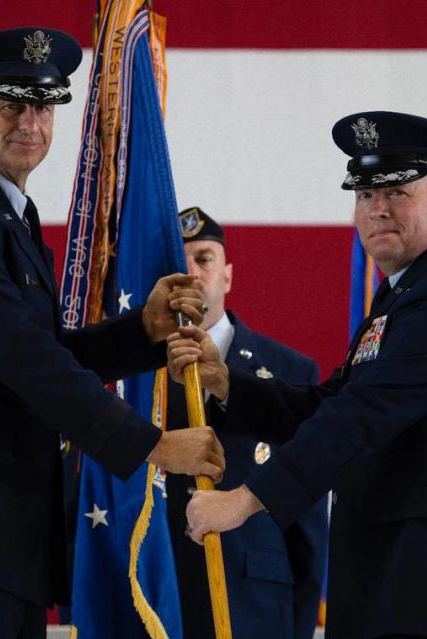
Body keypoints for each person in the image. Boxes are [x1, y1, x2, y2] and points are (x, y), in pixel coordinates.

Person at [0, 28, 224, 639]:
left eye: (43, 106)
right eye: (10, 105)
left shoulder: (4, 215)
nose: (30, 122)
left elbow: (44, 352)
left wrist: (143, 330)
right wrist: (152, 447)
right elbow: (24, 360)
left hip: (1, 539)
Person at [169, 112, 427, 637]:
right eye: (364, 195)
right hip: (397, 583)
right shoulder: (405, 296)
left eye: (397, 193)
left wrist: (244, 501)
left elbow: (359, 418)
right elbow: (332, 403)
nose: (377, 209)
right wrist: (227, 384)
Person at [165, 207, 328, 639]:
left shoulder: (291, 374)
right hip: (156, 601)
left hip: (254, 606)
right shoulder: (135, 379)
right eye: (178, 262)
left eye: (203, 258)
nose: (191, 272)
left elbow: (307, 518)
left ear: (227, 276)